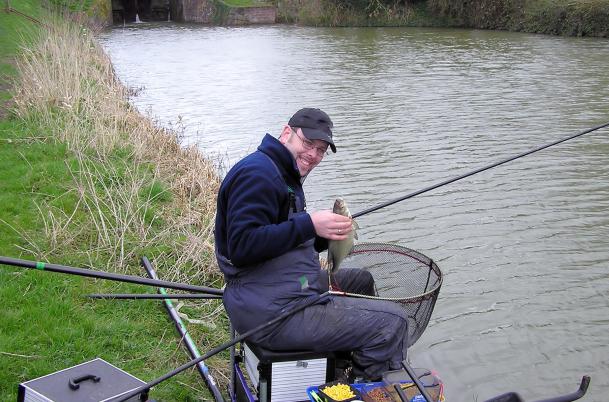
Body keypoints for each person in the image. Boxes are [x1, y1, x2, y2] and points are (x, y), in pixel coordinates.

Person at [214, 108, 408, 380]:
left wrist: (322, 235)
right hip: (272, 313)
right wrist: (310, 224)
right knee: (393, 321)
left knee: (361, 280)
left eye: (321, 150)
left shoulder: (282, 172)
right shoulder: (258, 175)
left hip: (280, 287)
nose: (313, 155)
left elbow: (280, 239)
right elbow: (243, 247)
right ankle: (363, 387)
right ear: (286, 133)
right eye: (308, 143)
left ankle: (344, 361)